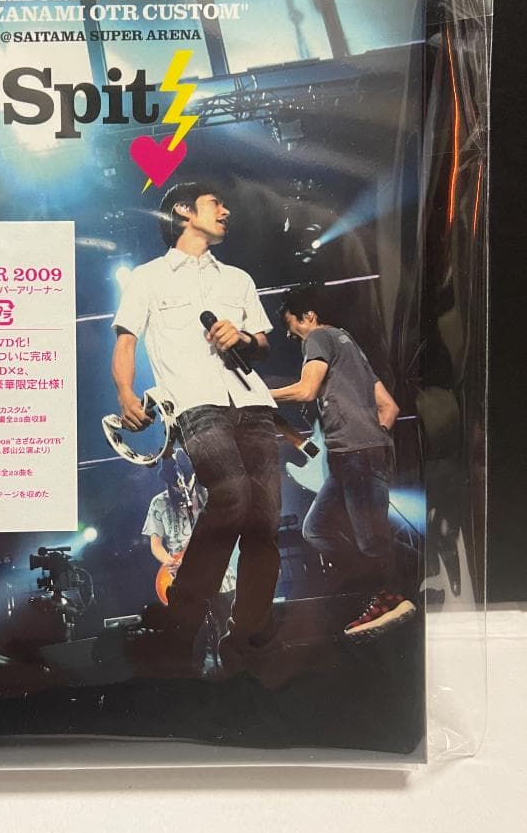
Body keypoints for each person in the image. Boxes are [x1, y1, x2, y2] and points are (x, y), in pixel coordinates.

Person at [112, 181, 280, 671]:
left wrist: (242, 337)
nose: (226, 211)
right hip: (194, 404)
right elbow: (126, 341)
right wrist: (125, 394)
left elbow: (263, 344)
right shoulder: (148, 277)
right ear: (185, 212)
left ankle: (245, 639)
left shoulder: (238, 279)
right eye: (216, 204)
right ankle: (180, 621)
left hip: (252, 403)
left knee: (264, 521)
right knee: (232, 496)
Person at [270, 287, 416, 639]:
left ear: (309, 316)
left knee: (369, 541)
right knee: (315, 529)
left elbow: (305, 390)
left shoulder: (318, 336)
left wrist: (259, 396)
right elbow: (390, 407)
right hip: (355, 453)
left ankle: (394, 594)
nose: (291, 336)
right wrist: (373, 437)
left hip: (355, 454)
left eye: (291, 326)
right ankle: (390, 579)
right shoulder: (349, 345)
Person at [142, 451, 236, 655]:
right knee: (192, 637)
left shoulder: (211, 497)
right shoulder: (159, 503)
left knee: (227, 626)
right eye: (175, 484)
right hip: (180, 575)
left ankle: (231, 664)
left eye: (185, 481)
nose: (180, 487)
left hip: (217, 573)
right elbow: (155, 544)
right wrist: (170, 561)